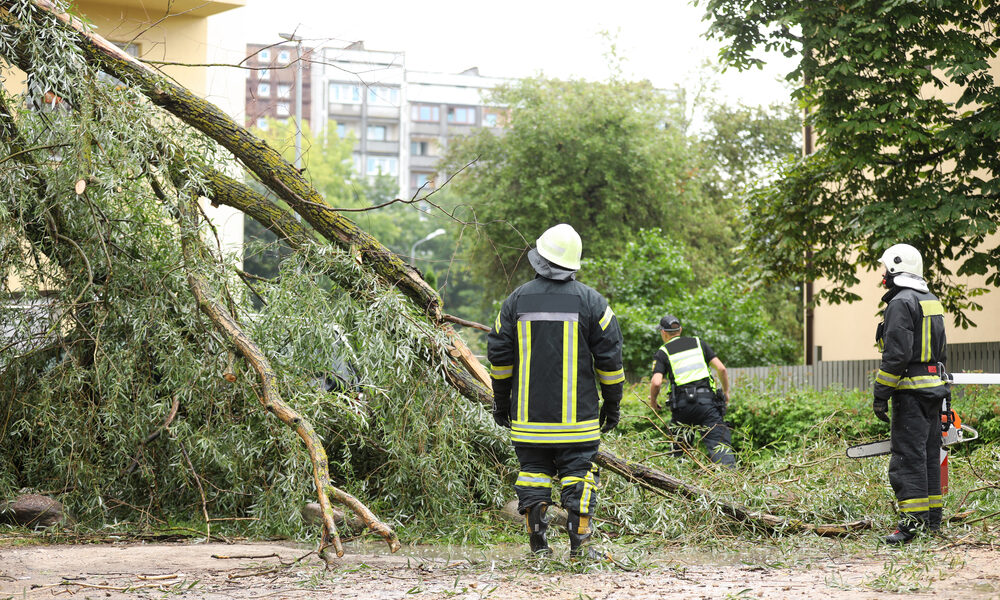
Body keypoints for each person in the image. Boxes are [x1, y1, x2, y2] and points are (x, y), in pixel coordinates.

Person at [487, 223, 624, 558]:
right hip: (578, 421)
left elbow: (499, 359)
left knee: (533, 474)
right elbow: (610, 362)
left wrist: (502, 404)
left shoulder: (515, 301)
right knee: (579, 474)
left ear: (539, 259)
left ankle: (538, 546)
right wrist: (613, 405)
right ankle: (581, 546)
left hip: (529, 420)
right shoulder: (593, 303)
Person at [873, 243, 949, 544]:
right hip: (932, 389)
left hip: (910, 393)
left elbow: (896, 356)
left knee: (907, 459)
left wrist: (881, 393)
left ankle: (911, 525)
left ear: (894, 268)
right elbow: (939, 351)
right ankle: (931, 523)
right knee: (930, 456)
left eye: (885, 269)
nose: (882, 275)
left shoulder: (900, 303)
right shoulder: (930, 300)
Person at [647, 315, 735, 467]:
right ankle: (730, 482)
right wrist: (726, 391)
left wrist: (653, 401)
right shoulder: (698, 343)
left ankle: (677, 483)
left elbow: (656, 382)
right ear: (680, 330)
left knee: (679, 451)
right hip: (707, 404)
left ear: (663, 332)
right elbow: (721, 369)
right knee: (720, 446)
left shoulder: (663, 352)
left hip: (682, 408)